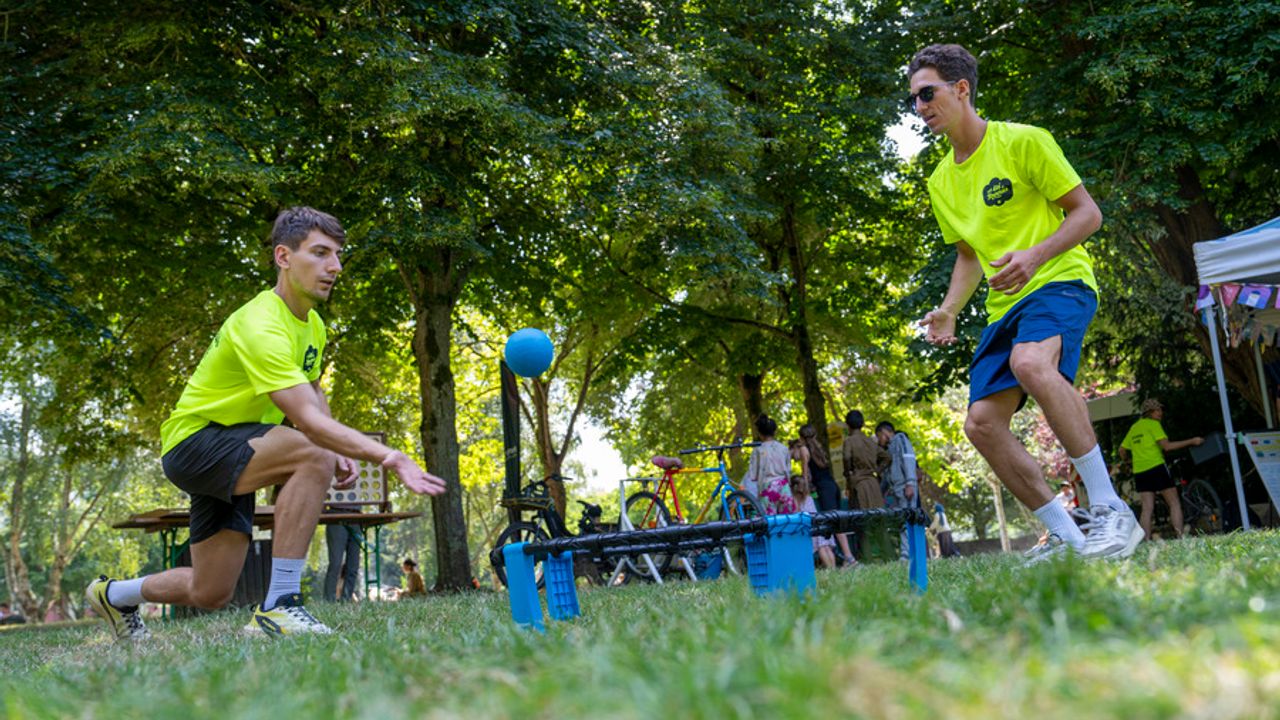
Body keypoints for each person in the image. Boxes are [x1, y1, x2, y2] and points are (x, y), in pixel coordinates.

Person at [86, 207, 447, 642]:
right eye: (320, 253)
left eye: (338, 255)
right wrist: (387, 457)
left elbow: (312, 389)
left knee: (211, 590)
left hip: (237, 448)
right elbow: (307, 421)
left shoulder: (312, 325)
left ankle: (114, 594)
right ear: (283, 256)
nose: (335, 266)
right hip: (195, 444)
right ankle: (281, 606)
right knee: (310, 449)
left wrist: (334, 451)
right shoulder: (260, 323)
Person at [910, 43, 1140, 562]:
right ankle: (1066, 534)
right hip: (1003, 308)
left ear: (961, 88)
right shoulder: (940, 180)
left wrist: (1035, 257)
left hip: (1059, 279)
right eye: (914, 100)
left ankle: (1109, 510)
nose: (920, 107)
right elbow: (969, 255)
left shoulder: (1024, 142)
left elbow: (1087, 215)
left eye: (928, 94)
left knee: (1030, 361)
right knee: (981, 424)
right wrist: (949, 309)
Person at [1117, 398, 1203, 540]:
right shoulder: (1154, 425)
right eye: (1158, 410)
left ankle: (1146, 541)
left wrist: (1129, 462)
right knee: (1174, 503)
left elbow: (1121, 450)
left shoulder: (1135, 428)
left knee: (1147, 508)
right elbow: (1167, 446)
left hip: (1140, 472)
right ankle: (1181, 537)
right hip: (1157, 467)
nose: (1161, 412)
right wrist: (1192, 441)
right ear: (1150, 412)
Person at [793, 424, 856, 566]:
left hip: (823, 489)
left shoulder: (804, 449)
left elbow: (805, 474)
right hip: (832, 486)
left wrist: (805, 492)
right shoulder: (819, 448)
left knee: (834, 522)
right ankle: (847, 558)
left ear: (801, 437)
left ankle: (849, 557)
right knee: (836, 520)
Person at [876, 421, 917, 561]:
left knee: (909, 519)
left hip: (906, 486)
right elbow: (888, 473)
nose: (878, 440)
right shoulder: (889, 448)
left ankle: (908, 554)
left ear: (884, 432)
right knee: (901, 521)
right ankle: (906, 552)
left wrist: (910, 483)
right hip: (896, 490)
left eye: (878, 436)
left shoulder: (900, 439)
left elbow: (909, 460)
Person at [741, 414, 796, 515]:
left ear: (759, 433)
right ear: (774, 432)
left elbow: (753, 475)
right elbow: (788, 470)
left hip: (767, 489)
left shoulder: (758, 451)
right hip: (784, 488)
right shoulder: (783, 448)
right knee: (788, 521)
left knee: (770, 523)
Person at [841, 410, 888, 512]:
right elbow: (887, 457)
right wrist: (877, 470)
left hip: (858, 483)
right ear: (862, 424)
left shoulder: (849, 441)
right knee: (877, 516)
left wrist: (847, 472)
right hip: (873, 483)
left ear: (847, 425)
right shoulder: (870, 441)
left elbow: (846, 457)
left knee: (860, 517)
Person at [791, 474, 837, 569]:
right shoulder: (809, 498)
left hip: (811, 530)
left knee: (821, 548)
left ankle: (830, 569)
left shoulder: (793, 501)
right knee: (826, 548)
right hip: (820, 525)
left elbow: (798, 516)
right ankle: (833, 568)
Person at [323, 504, 363, 602]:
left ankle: (346, 599)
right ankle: (329, 601)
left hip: (355, 517)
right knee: (335, 563)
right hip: (336, 515)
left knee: (353, 565)